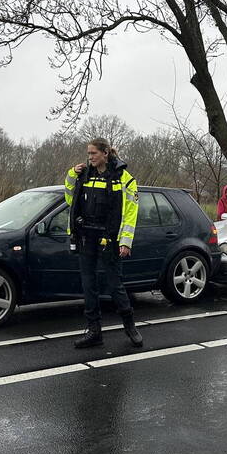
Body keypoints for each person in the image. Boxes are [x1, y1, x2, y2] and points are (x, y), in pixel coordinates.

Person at [64, 138, 142, 349]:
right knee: (89, 286)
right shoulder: (84, 175)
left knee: (115, 285)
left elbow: (130, 213)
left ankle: (130, 327)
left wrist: (126, 242)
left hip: (110, 238)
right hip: (86, 237)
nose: (90, 158)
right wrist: (72, 174)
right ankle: (94, 331)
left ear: (105, 153)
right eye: (88, 154)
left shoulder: (124, 178)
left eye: (93, 154)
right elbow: (70, 198)